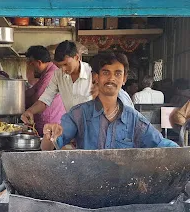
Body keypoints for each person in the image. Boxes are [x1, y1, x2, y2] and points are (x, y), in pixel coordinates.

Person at [41, 52, 178, 150]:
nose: (112, 78)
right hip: (88, 187)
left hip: (124, 187)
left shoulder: (134, 120)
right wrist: (49, 135)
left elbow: (162, 145)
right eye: (106, 72)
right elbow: (49, 147)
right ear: (96, 77)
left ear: (124, 79)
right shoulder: (79, 114)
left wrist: (184, 154)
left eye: (118, 73)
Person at [21, 40, 134, 125]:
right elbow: (45, 100)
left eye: (66, 64)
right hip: (73, 128)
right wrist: (30, 111)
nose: (64, 69)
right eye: (60, 66)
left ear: (77, 57)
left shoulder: (93, 73)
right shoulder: (58, 75)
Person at [24, 46, 65, 136]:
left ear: (39, 62)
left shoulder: (52, 75)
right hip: (46, 125)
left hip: (51, 126)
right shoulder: (46, 74)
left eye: (31, 63)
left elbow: (41, 101)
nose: (31, 66)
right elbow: (32, 91)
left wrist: (28, 111)